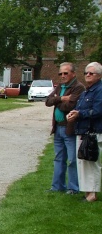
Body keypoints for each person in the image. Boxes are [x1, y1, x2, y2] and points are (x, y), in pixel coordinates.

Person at [45, 62, 85, 195]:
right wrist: (61, 98)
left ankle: (73, 188)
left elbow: (70, 106)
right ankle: (57, 186)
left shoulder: (78, 88)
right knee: (59, 158)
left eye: (65, 73)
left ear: (73, 73)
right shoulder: (60, 87)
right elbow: (47, 102)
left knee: (72, 159)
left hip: (70, 129)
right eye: (60, 73)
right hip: (58, 128)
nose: (62, 76)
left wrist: (56, 102)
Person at [67, 62, 102, 202]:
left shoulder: (99, 90)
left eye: (91, 73)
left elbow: (98, 110)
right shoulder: (87, 90)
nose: (87, 75)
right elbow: (79, 108)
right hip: (83, 131)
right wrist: (72, 114)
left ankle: (92, 193)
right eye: (86, 72)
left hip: (93, 132)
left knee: (91, 161)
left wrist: (79, 114)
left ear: (98, 76)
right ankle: (88, 192)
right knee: (83, 161)